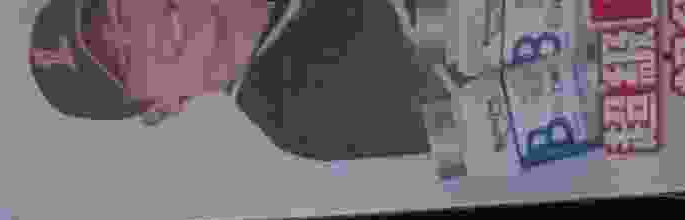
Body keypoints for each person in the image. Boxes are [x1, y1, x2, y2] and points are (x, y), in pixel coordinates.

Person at [24, 0, 442, 164]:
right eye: (124, 60)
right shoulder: (304, 118)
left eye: (118, 13)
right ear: (162, 108)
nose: (144, 32)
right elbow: (472, 126)